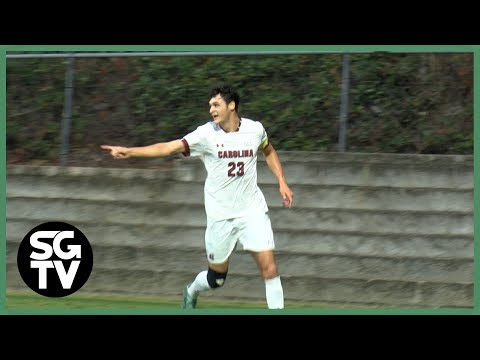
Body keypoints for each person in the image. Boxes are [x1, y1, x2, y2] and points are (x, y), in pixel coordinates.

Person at [100, 84, 293, 309]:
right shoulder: (205, 135)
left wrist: (281, 180)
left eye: (216, 104)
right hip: (220, 216)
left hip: (252, 211)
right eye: (210, 105)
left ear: (231, 105)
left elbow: (268, 149)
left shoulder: (255, 129)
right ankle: (191, 291)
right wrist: (130, 151)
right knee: (216, 279)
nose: (211, 109)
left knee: (270, 269)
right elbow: (169, 147)